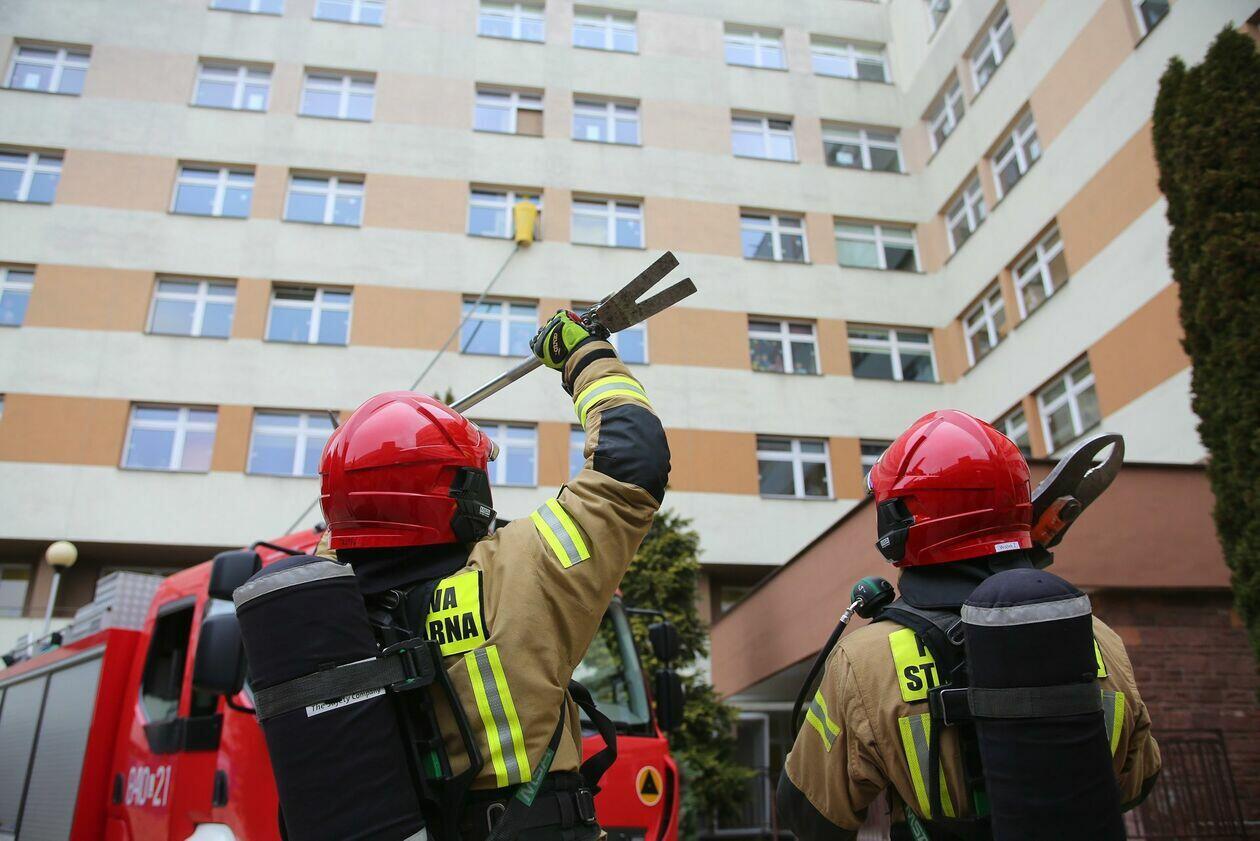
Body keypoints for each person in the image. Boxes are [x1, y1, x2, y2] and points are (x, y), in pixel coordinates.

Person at [316, 310, 670, 841]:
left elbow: (345, 532)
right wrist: (587, 357)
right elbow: (632, 466)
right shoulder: (525, 566)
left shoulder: (325, 606)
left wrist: (359, 463)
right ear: (459, 492)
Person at [776, 410, 1161, 841]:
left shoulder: (864, 661)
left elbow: (810, 815)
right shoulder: (1098, 638)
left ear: (900, 518)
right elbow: (1138, 784)